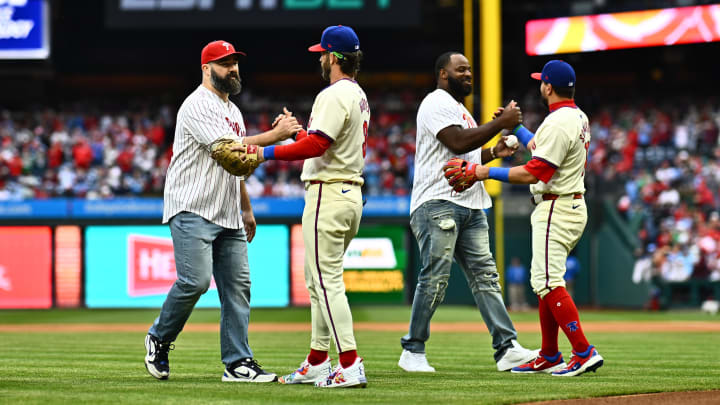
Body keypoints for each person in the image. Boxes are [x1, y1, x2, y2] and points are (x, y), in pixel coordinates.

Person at [143, 40, 302, 382]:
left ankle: (237, 362)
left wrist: (246, 208)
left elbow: (236, 163)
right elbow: (226, 148)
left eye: (235, 63)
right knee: (195, 282)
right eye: (224, 63)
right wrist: (276, 135)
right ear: (206, 69)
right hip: (193, 206)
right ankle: (159, 337)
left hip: (228, 211)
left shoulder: (233, 111)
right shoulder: (196, 104)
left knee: (238, 287)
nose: (232, 69)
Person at [452, 60, 604, 376]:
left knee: (547, 282)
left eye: (541, 81)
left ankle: (583, 350)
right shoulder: (575, 116)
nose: (540, 85)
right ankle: (549, 354)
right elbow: (541, 147)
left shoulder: (559, 121)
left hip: (556, 207)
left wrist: (483, 172)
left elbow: (538, 170)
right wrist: (517, 128)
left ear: (547, 86)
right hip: (568, 204)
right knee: (544, 282)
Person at [240, 25, 369, 388]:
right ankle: (317, 359)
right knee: (318, 283)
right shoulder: (356, 94)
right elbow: (321, 143)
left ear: (334, 57)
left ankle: (350, 362)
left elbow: (316, 148)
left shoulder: (333, 93)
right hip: (346, 193)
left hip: (329, 195)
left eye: (323, 53)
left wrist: (264, 151)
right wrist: (296, 134)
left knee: (326, 282)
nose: (320, 58)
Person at [398, 51, 538, 374]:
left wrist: (493, 152)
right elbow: (457, 142)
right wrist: (501, 123)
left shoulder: (462, 111)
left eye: (470, 69)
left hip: (471, 203)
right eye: (460, 70)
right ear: (443, 75)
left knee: (486, 277)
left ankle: (506, 347)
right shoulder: (435, 102)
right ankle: (413, 349)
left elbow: (467, 152)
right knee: (435, 277)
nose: (468, 74)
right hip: (437, 201)